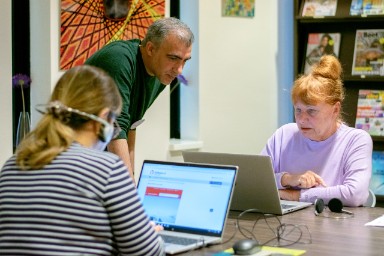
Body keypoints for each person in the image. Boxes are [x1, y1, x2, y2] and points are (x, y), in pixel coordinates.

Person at [0, 65, 164, 255]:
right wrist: (150, 236)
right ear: (103, 118)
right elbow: (146, 252)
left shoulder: (13, 165)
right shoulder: (106, 169)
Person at [85, 17, 194, 180]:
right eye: (173, 58)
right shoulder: (119, 59)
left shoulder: (161, 73)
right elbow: (115, 127)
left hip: (96, 155)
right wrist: (128, 189)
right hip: (68, 158)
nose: (179, 70)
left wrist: (132, 179)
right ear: (150, 48)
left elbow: (131, 125)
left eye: (185, 61)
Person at [261, 55, 373, 207]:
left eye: (311, 111)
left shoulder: (356, 140)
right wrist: (286, 179)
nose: (301, 119)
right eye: (298, 110)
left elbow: (354, 195)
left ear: (335, 109)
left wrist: (296, 196)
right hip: (284, 226)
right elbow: (254, 180)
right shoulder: (283, 135)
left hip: (334, 227)